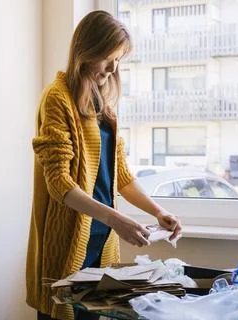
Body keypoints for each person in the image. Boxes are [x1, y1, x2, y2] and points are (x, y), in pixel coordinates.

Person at [26, 10, 182, 320]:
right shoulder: (57, 99)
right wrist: (116, 220)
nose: (112, 69)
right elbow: (59, 184)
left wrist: (158, 212)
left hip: (101, 245)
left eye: (118, 60)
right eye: (108, 58)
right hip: (68, 244)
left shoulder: (103, 105)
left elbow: (121, 176)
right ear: (87, 51)